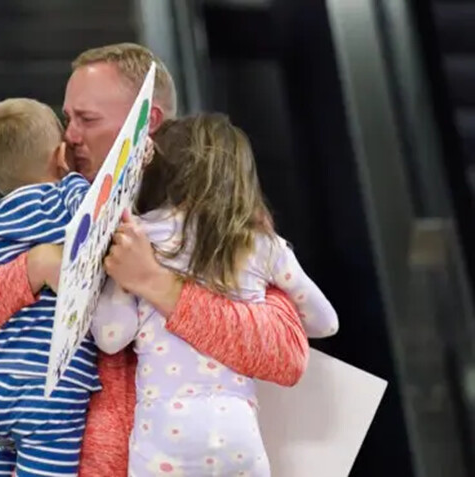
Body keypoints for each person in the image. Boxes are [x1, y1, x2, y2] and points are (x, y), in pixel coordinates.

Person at [0, 43, 310, 476]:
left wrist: (157, 284)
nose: (69, 136)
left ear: (147, 122)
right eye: (67, 118)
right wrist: (35, 265)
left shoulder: (217, 217)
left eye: (87, 119)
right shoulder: (44, 210)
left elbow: (284, 353)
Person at [91, 114, 340, 476]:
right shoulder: (261, 245)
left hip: (163, 430)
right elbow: (325, 322)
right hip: (238, 430)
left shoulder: (141, 236)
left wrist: (116, 281)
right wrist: (261, 293)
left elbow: (111, 337)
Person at [0, 97, 120, 476]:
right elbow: (100, 216)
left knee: (7, 457)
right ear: (60, 155)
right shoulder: (65, 195)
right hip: (49, 388)